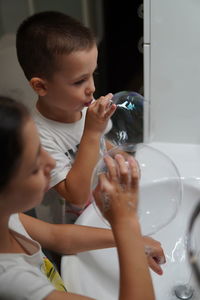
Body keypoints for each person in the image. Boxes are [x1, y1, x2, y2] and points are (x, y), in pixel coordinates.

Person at [0, 96, 162, 299]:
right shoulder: (11, 283)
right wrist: (126, 223)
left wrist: (134, 241)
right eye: (34, 166)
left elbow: (55, 236)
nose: (50, 163)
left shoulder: (8, 217)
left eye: (41, 149)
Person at [16, 11, 116, 224]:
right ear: (41, 86)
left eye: (93, 74)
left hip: (101, 210)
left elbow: (103, 144)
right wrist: (92, 131)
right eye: (79, 81)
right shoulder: (36, 137)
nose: (92, 88)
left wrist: (122, 156)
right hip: (71, 232)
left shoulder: (83, 103)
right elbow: (77, 196)